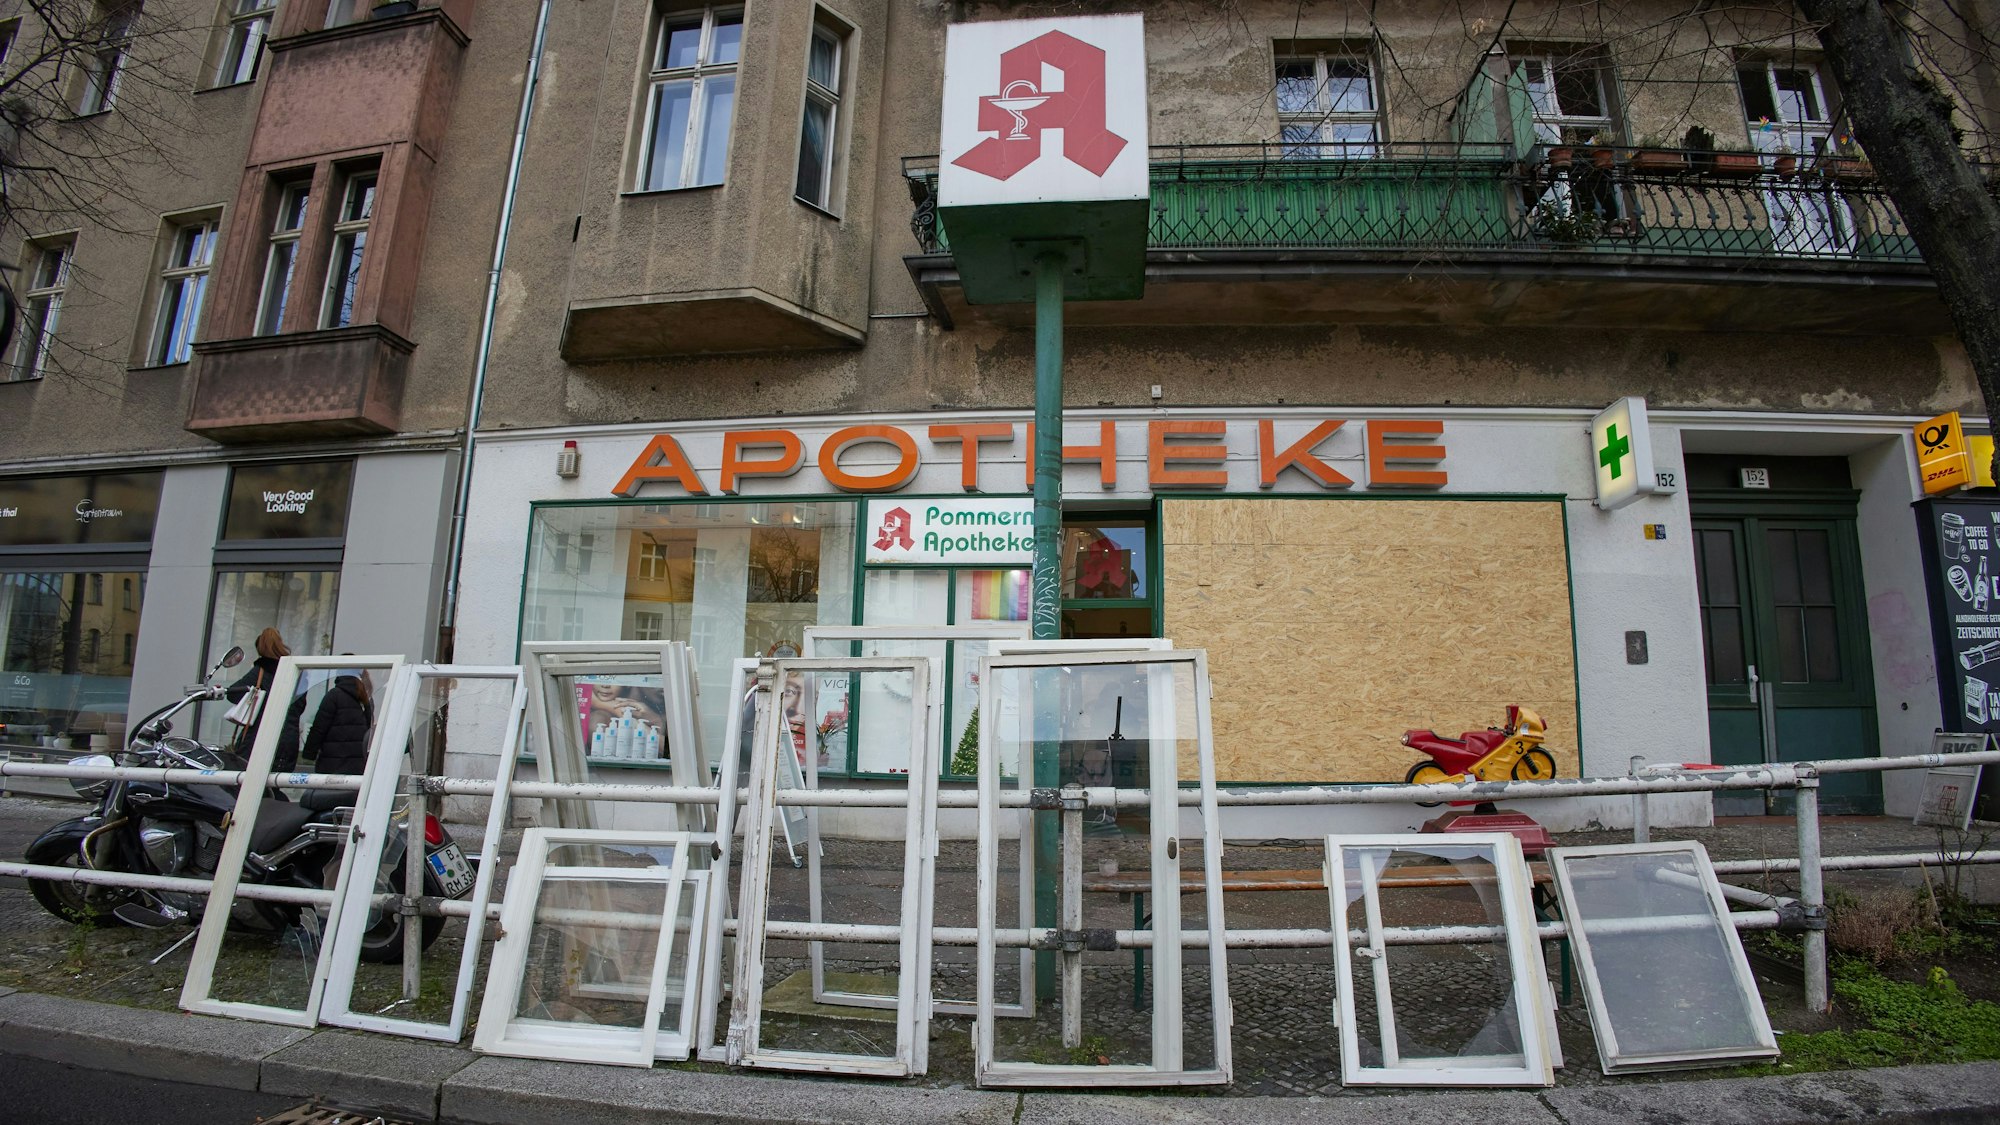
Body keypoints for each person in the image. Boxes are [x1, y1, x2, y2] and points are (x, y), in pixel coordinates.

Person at [224, 627, 288, 755]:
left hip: (258, 737)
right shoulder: (294, 673)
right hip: (287, 739)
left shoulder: (260, 671)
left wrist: (253, 698)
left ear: (260, 649)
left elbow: (232, 694)